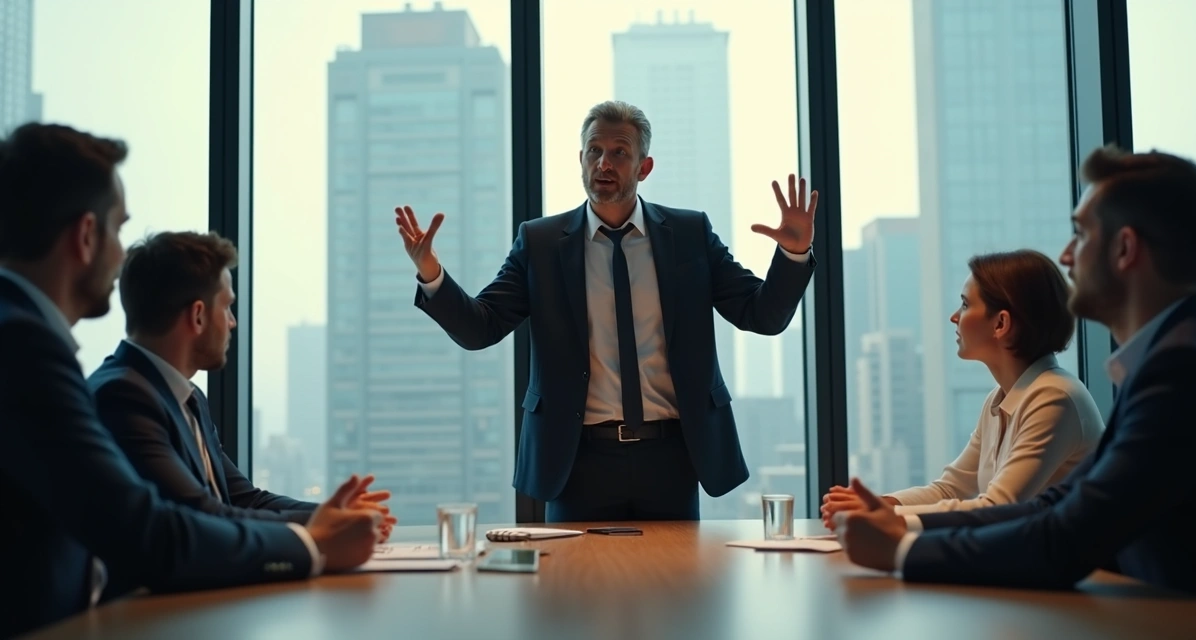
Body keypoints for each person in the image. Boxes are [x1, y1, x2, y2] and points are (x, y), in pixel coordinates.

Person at [0, 123, 381, 637]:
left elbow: (234, 500)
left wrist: (327, 519)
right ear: (86, 236)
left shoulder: (29, 338)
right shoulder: (31, 348)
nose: (121, 255)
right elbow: (151, 530)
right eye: (117, 229)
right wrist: (312, 542)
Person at [395, 100, 817, 521]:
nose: (604, 162)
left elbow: (762, 316)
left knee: (677, 586)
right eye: (594, 151)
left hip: (671, 456)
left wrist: (793, 254)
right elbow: (480, 328)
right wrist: (432, 273)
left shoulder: (689, 235)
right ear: (580, 159)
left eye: (619, 152)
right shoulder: (540, 243)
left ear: (644, 167)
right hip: (574, 459)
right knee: (574, 586)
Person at [835, 146, 1196, 597]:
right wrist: (899, 522)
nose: (1067, 255)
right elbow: (1055, 505)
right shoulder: (1172, 356)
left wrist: (901, 550)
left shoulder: (1179, 369)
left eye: (1081, 234)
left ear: (1125, 248)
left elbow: (1063, 539)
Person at [88, 231, 396, 542]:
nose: (232, 322)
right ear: (197, 315)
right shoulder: (123, 396)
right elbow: (203, 515)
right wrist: (320, 531)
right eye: (227, 307)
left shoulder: (187, 397)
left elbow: (242, 499)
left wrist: (334, 514)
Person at [821, 250, 1103, 525]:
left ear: (1001, 323)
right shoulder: (1001, 398)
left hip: (1076, 570)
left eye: (966, 305)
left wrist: (882, 517)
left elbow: (997, 507)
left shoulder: (1054, 397)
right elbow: (950, 489)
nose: (954, 317)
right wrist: (881, 504)